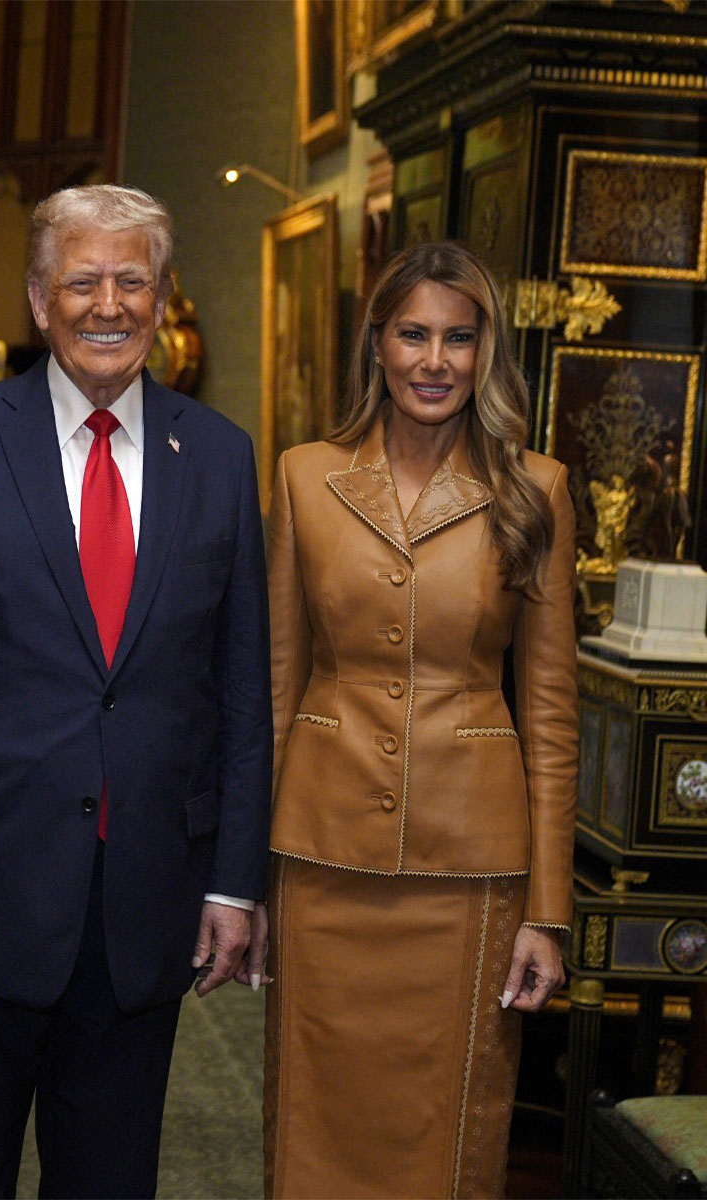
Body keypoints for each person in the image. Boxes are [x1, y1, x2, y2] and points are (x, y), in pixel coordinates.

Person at [0, 184, 273, 1198]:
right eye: (82, 280)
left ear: (161, 297)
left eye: (132, 280)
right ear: (39, 300)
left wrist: (231, 880)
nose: (108, 304)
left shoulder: (218, 457)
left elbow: (239, 687)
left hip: (143, 904)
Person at [263, 241, 576, 1198]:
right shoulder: (303, 478)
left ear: (488, 355)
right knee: (312, 1131)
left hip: (470, 874)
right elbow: (278, 682)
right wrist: (248, 883)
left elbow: (554, 714)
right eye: (413, 334)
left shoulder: (537, 489)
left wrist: (549, 913)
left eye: (459, 338)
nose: (435, 360)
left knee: (449, 1140)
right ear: (379, 345)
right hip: (321, 861)